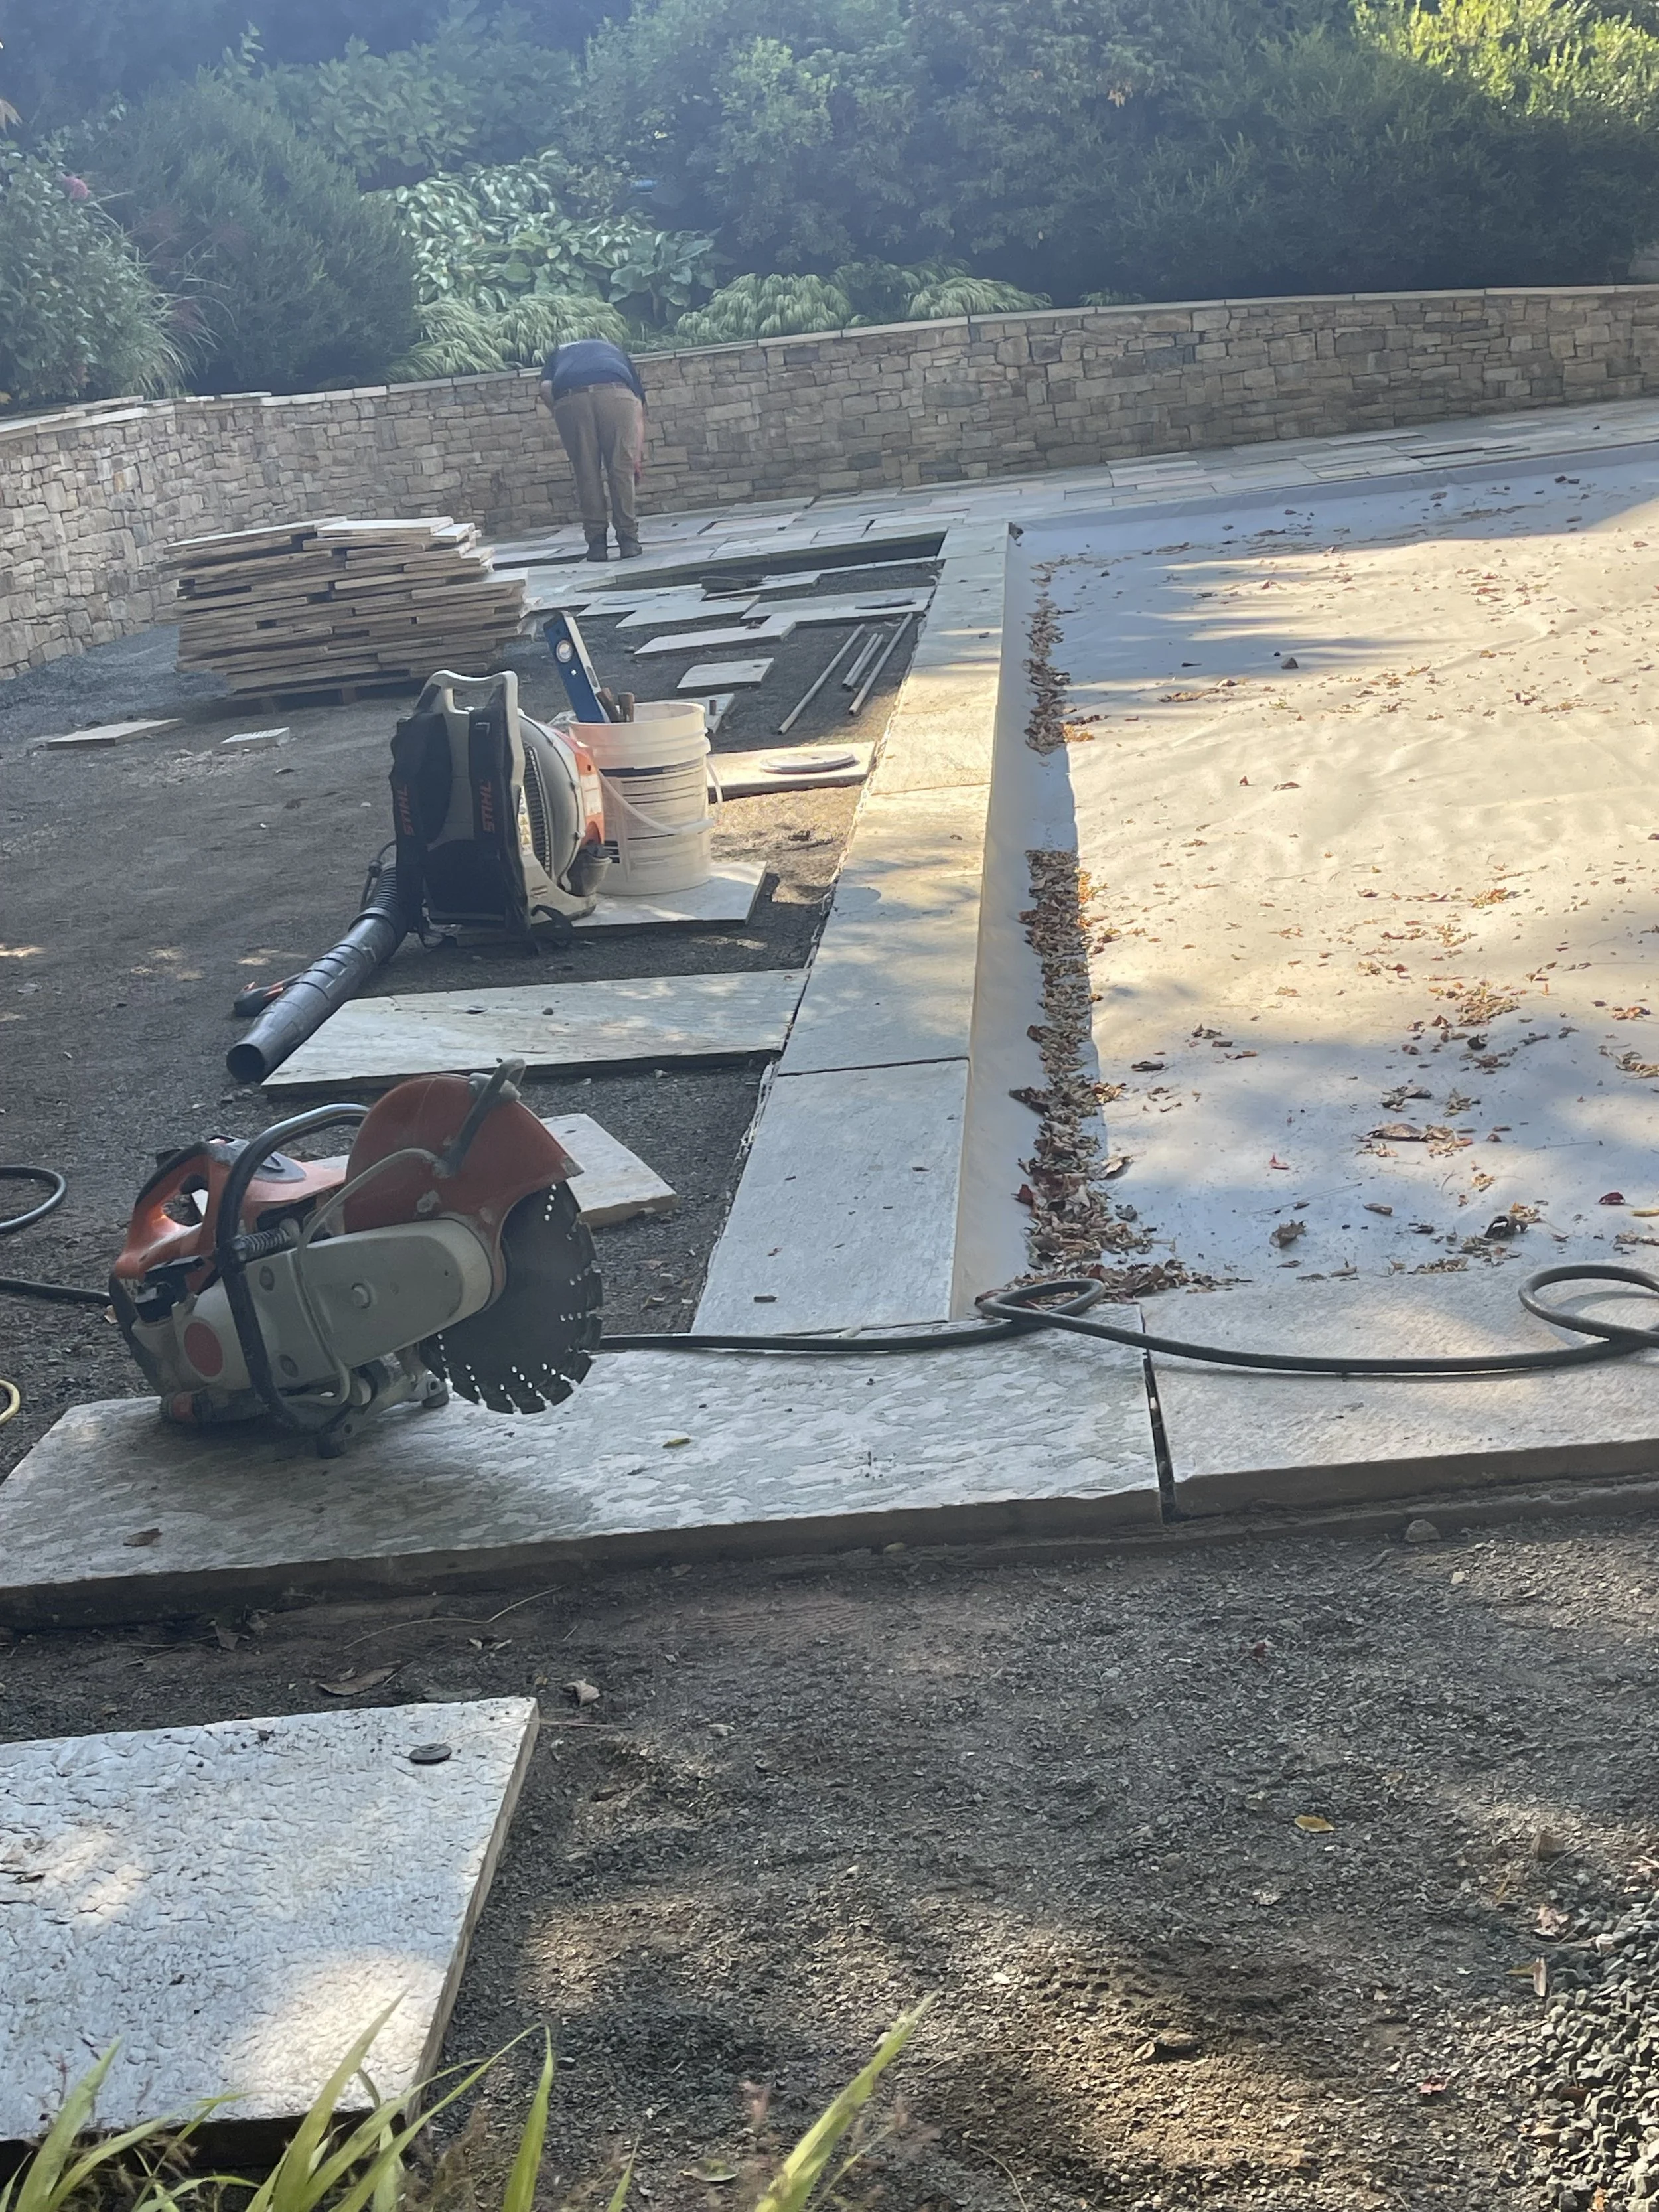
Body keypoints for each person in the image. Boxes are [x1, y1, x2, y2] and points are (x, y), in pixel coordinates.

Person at [539, 337, 646, 561]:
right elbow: (637, 406)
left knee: (586, 472)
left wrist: (560, 412)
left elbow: (546, 388)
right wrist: (635, 456)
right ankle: (629, 541)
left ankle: (597, 544)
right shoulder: (616, 353)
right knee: (621, 470)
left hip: (571, 399)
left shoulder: (559, 353)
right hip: (617, 395)